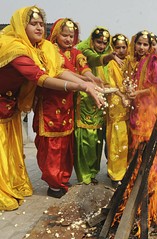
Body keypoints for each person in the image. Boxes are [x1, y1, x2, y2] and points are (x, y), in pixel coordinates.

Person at [0, 6, 102, 208]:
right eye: (33, 23)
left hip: (10, 104)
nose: (39, 27)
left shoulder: (41, 47)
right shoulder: (14, 47)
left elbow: (57, 70)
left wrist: (87, 82)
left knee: (10, 151)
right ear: (22, 25)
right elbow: (41, 78)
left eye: (41, 23)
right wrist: (80, 85)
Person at [75, 27, 118, 185]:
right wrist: (107, 57)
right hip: (85, 101)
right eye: (98, 42)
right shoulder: (83, 52)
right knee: (86, 139)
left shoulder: (108, 56)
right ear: (91, 41)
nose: (101, 46)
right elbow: (93, 59)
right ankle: (84, 176)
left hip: (101, 102)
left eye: (104, 43)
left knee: (98, 140)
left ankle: (92, 174)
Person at [122, 30, 157, 151]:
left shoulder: (154, 61)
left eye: (145, 45)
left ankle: (146, 168)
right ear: (134, 44)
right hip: (134, 106)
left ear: (151, 46)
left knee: (146, 141)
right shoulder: (131, 61)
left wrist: (138, 93)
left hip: (149, 107)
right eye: (139, 44)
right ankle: (135, 168)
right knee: (133, 140)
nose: (141, 47)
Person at [105, 33, 131, 187]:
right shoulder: (110, 64)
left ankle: (125, 171)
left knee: (126, 141)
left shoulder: (129, 61)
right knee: (116, 140)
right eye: (117, 47)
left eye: (123, 47)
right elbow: (110, 84)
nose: (121, 50)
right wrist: (122, 95)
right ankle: (115, 175)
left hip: (128, 106)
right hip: (116, 105)